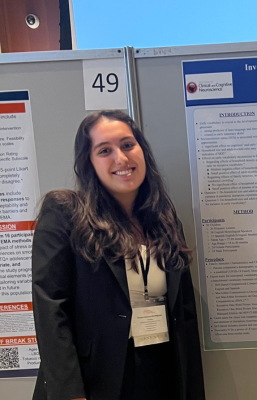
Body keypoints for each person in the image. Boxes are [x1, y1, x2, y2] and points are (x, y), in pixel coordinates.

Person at [31, 110, 204, 400]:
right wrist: (70, 393)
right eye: (105, 150)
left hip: (161, 371)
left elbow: (183, 312)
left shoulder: (164, 219)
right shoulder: (65, 213)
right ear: (89, 162)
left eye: (127, 145)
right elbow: (50, 310)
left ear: (142, 151)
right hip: (96, 379)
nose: (121, 159)